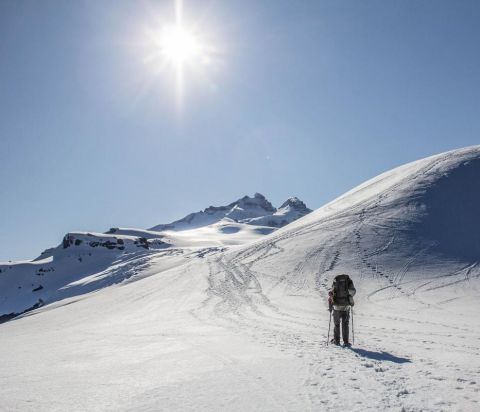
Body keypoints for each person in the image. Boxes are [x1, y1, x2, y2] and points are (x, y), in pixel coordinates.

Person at [328, 274, 356, 346]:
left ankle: (336, 341)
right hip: (346, 307)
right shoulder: (349, 281)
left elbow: (332, 292)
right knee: (345, 324)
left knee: (336, 324)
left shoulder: (335, 281)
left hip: (336, 306)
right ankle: (346, 342)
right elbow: (353, 292)